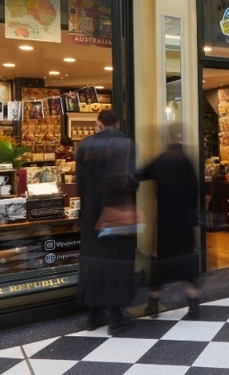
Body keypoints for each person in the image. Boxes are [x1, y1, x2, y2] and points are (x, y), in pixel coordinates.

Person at [75, 109, 138, 335]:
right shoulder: (128, 144)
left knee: (93, 260)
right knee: (117, 261)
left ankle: (93, 315)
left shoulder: (84, 145)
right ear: (117, 122)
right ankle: (116, 315)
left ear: (98, 123)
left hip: (91, 212)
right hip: (116, 213)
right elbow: (131, 181)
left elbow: (80, 185)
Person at [139, 142, 200, 318]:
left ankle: (153, 306)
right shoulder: (186, 162)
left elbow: (142, 174)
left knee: (160, 266)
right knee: (187, 267)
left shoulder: (161, 161)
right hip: (185, 222)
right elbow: (195, 190)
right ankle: (194, 306)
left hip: (165, 223)